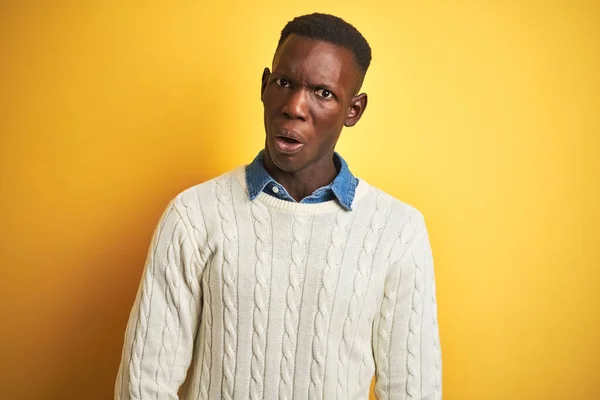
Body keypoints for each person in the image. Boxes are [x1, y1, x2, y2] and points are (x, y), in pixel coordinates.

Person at [115, 12, 442, 400]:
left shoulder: (398, 231)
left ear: (353, 110)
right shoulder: (193, 216)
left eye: (323, 93)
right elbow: (144, 384)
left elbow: (412, 389)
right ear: (265, 86)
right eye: (284, 83)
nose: (294, 107)